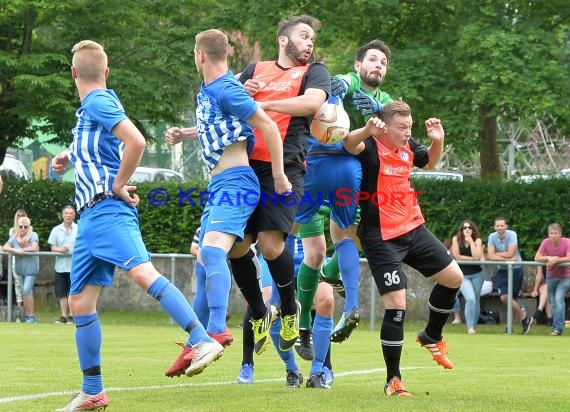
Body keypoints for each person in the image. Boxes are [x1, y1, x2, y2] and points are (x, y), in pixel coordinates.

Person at [51, 40, 224, 411]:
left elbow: (136, 141)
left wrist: (116, 185)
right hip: (90, 219)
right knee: (81, 304)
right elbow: (98, 147)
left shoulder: (99, 100)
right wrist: (66, 157)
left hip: (108, 210)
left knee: (144, 273)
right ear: (106, 71)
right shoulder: (88, 112)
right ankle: (92, 390)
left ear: (73, 73)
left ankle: (200, 337)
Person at [163, 29, 290, 377]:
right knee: (206, 259)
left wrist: (279, 175)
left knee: (213, 253)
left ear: (200, 55)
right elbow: (219, 126)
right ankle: (195, 344)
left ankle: (216, 329)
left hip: (236, 182)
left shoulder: (225, 88)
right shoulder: (213, 90)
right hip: (219, 184)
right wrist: (184, 133)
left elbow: (267, 125)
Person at [343, 100, 463, 397]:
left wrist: (439, 141)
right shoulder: (370, 146)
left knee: (454, 278)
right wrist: (366, 129)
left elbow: (430, 162)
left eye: (410, 127)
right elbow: (347, 143)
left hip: (413, 228)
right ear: (383, 126)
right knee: (397, 305)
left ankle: (431, 335)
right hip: (381, 237)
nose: (408, 132)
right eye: (401, 127)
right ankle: (393, 380)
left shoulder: (409, 146)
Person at [227, 15, 330, 356]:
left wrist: (262, 104)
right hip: (242, 166)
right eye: (304, 35)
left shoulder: (314, 72)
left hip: (285, 167)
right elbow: (226, 105)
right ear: (284, 40)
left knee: (271, 246)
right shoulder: (254, 69)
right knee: (236, 247)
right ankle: (259, 311)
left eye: (312, 37)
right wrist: (242, 93)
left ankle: (289, 309)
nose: (310, 42)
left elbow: (312, 104)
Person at [294, 40, 395, 360]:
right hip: (313, 172)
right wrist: (347, 89)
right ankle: (301, 327)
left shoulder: (386, 101)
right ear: (357, 65)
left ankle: (329, 278)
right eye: (373, 60)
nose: (378, 65)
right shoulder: (344, 83)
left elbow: (394, 126)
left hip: (351, 181)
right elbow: (344, 84)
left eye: (383, 62)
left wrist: (378, 111)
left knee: (357, 240)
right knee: (313, 252)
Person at [487, 216, 533, 334]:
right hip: (502, 270)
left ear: (506, 226)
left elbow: (511, 253)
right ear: (494, 227)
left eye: (502, 225)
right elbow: (490, 256)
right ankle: (524, 318)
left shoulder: (512, 234)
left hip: (516, 269)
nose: (500, 228)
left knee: (512, 299)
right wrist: (505, 256)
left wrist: (497, 255)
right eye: (497, 226)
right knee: (505, 297)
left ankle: (510, 326)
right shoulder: (492, 237)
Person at [534, 223, 570, 336]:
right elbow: (537, 257)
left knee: (559, 300)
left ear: (560, 234)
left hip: (565, 276)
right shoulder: (545, 242)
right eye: (551, 233)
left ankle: (558, 328)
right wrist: (548, 257)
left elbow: (569, 257)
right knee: (553, 302)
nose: (553, 236)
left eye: (555, 233)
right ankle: (556, 326)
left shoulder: (567, 242)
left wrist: (557, 260)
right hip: (551, 276)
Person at [3, 216, 39, 323]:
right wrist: (15, 250)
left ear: (29, 227)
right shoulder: (15, 237)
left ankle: (32, 315)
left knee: (27, 289)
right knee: (24, 291)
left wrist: (22, 250)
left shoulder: (33, 235)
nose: (23, 228)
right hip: (20, 268)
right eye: (21, 226)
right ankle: (28, 314)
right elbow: (5, 247)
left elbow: (34, 247)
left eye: (25, 226)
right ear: (17, 227)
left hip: (31, 268)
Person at [451, 220, 485, 334]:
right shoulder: (456, 239)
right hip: (463, 275)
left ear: (473, 230)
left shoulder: (477, 240)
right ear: (461, 230)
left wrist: (470, 240)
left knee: (476, 300)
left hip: (477, 275)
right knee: (470, 299)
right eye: (464, 228)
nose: (467, 230)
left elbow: (477, 257)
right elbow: (456, 257)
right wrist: (470, 259)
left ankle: (473, 326)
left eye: (469, 228)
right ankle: (470, 327)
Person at [48, 205, 78, 324]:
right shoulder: (56, 230)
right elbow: (52, 247)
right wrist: (60, 250)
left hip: (75, 266)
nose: (69, 215)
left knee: (73, 291)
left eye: (71, 213)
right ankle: (63, 316)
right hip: (60, 267)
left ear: (74, 215)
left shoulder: (79, 228)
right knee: (62, 292)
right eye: (66, 213)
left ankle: (72, 315)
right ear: (62, 215)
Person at [7, 209, 28, 322]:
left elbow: (24, 242)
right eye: (19, 215)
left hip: (28, 261)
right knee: (18, 285)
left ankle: (29, 312)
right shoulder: (12, 231)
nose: (20, 217)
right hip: (16, 260)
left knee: (27, 287)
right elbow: (16, 242)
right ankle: (19, 312)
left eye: (22, 215)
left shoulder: (31, 230)